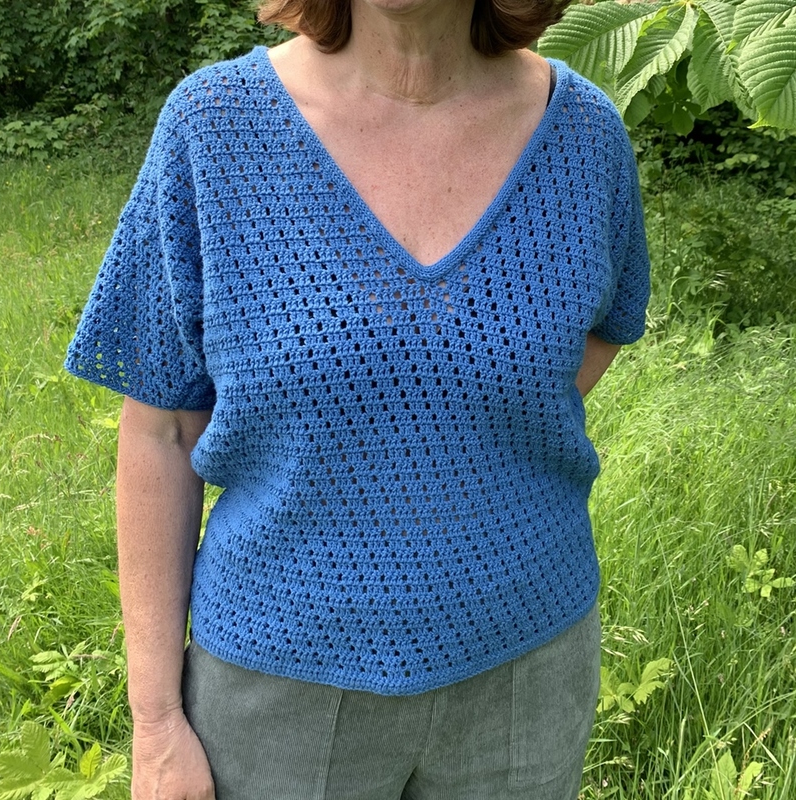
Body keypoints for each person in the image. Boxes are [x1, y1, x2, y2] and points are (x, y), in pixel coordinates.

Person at [65, 0, 651, 797]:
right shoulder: (214, 127)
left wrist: (450, 412)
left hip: (526, 671)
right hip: (277, 690)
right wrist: (156, 720)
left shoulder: (583, 133)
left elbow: (602, 331)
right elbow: (161, 429)